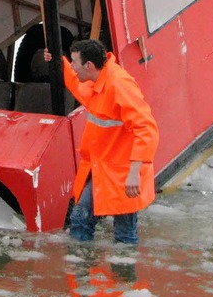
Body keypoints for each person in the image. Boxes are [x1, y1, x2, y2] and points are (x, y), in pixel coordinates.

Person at [44, 39, 158, 244]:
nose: (72, 66)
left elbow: (146, 129)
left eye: (74, 62)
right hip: (103, 168)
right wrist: (57, 61)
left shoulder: (119, 85)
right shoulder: (98, 81)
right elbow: (78, 87)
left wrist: (134, 173)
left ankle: (120, 274)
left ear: (89, 66)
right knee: (80, 219)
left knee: (123, 234)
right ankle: (83, 272)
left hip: (124, 173)